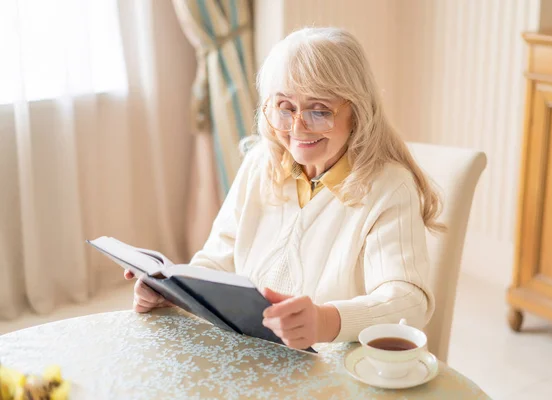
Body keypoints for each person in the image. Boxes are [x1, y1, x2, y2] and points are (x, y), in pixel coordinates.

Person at [125, 27, 444, 350]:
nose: (297, 127)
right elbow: (218, 260)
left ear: (359, 112)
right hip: (256, 353)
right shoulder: (260, 163)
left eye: (318, 110)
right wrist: (175, 291)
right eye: (284, 107)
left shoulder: (389, 187)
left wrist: (324, 321)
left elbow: (407, 302)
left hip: (339, 370)